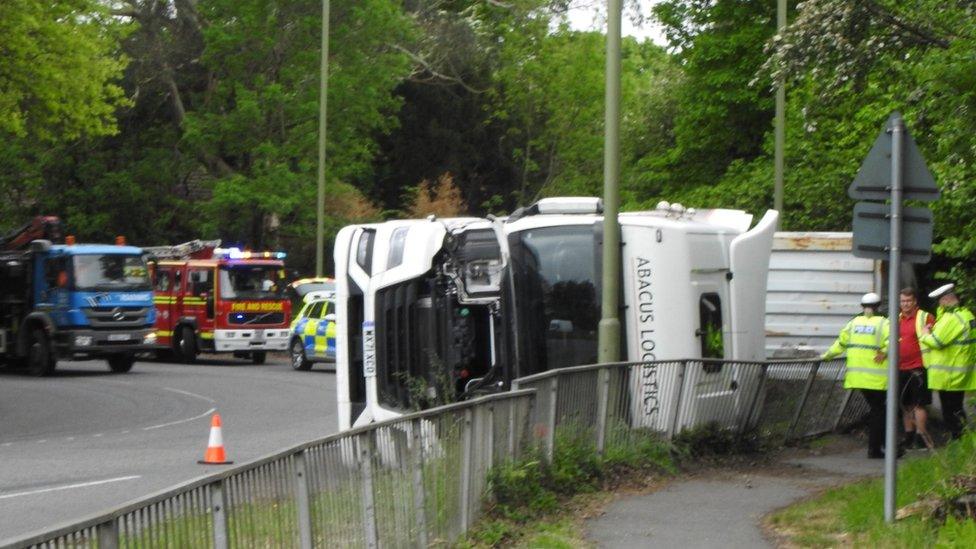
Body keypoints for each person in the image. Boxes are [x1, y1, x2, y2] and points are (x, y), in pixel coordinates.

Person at [822, 292, 891, 459]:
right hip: (877, 378)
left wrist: (826, 356)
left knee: (876, 410)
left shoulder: (853, 323)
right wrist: (885, 351)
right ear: (878, 306)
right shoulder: (884, 322)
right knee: (880, 411)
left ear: (862, 306)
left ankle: (877, 447)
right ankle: (876, 449)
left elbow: (841, 343)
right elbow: (894, 341)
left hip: (857, 377)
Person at [919, 283, 976, 440]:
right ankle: (963, 440)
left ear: (944, 300)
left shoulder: (951, 319)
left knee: (950, 411)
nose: (939, 305)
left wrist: (924, 334)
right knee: (957, 408)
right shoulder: (967, 315)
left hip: (949, 373)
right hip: (960, 371)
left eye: (940, 302)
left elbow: (937, 341)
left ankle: (958, 440)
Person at [897, 288, 935, 449]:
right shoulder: (897, 318)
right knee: (905, 404)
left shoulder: (925, 317)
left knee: (919, 404)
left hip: (919, 367)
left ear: (915, 302)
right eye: (903, 301)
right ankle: (908, 435)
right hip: (901, 367)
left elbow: (933, 337)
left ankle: (921, 436)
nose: (905, 304)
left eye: (908, 301)